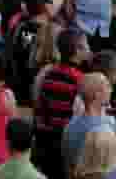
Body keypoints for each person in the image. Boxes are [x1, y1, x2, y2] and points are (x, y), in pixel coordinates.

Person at [33, 28, 89, 179]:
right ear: (77, 50)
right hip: (66, 140)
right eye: (86, 45)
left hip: (46, 139)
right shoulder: (80, 79)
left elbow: (41, 107)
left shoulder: (49, 74)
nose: (89, 49)